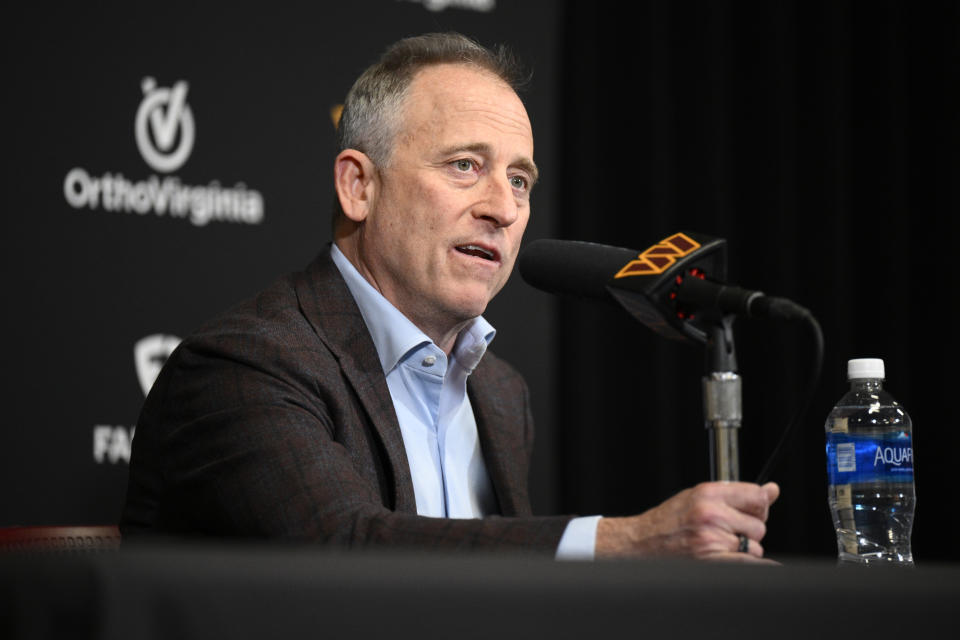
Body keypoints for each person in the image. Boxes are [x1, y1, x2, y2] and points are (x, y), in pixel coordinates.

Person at [121, 32, 779, 561]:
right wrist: (629, 542)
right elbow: (346, 555)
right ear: (359, 187)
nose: (503, 208)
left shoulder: (500, 392)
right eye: (465, 165)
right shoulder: (245, 366)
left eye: (520, 180)